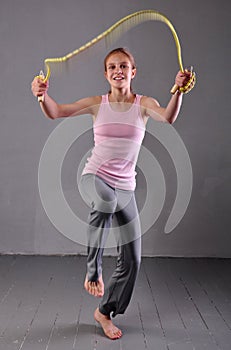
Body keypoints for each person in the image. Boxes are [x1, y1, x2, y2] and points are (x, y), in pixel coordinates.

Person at [31, 47, 192, 340]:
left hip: (126, 187)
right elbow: (55, 112)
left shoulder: (144, 104)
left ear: (133, 72)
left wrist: (179, 91)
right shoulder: (97, 104)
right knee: (105, 200)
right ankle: (93, 270)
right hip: (95, 177)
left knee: (133, 261)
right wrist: (41, 95)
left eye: (124, 66)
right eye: (112, 67)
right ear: (106, 74)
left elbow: (168, 117)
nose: (118, 70)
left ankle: (105, 311)